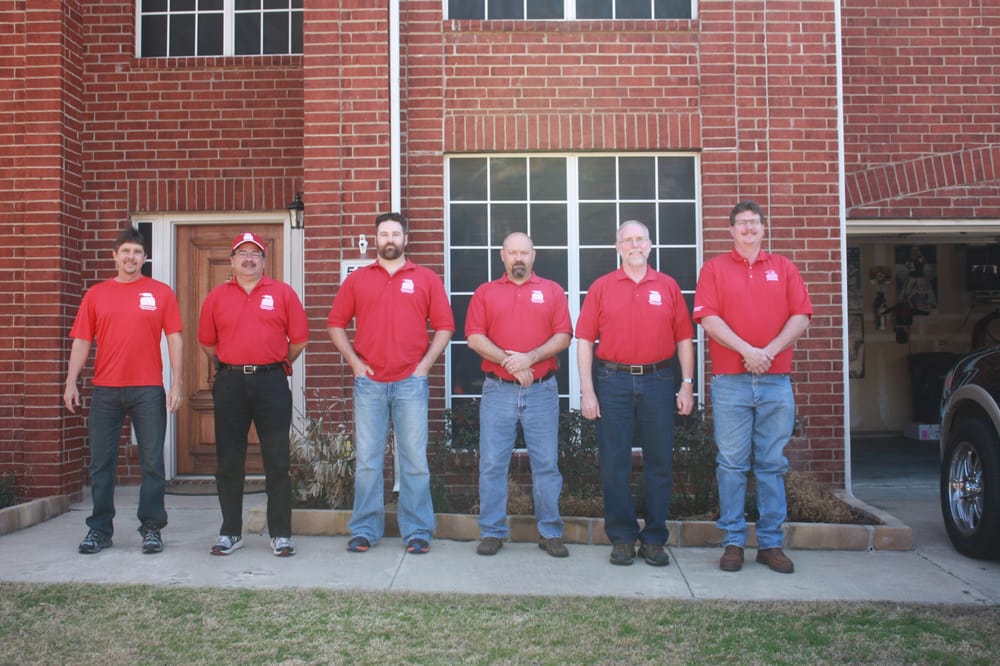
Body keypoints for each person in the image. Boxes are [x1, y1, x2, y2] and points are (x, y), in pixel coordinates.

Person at [693, 200, 812, 574]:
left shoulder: (784, 268)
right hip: (731, 382)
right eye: (741, 224)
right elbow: (708, 318)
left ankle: (771, 544)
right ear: (730, 231)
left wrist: (769, 353)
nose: (748, 229)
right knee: (730, 464)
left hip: (776, 382)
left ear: (763, 229)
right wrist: (748, 351)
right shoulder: (714, 269)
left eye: (754, 223)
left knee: (772, 464)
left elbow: (801, 315)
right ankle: (732, 542)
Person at [327, 212, 455, 555]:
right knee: (368, 459)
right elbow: (336, 324)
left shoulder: (425, 278)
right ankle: (365, 529)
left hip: (411, 383)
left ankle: (417, 531)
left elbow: (445, 326)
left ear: (405, 239)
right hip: (369, 383)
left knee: (413, 459)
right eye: (383, 234)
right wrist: (354, 362)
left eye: (395, 234)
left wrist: (424, 366)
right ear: (376, 239)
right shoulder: (358, 280)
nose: (389, 240)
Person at [576, 220, 695, 567]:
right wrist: (587, 390)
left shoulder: (668, 286)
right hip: (612, 382)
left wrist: (686, 383)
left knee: (659, 461)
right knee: (614, 462)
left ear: (650, 245)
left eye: (639, 239)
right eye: (627, 241)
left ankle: (655, 538)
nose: (634, 245)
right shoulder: (601, 287)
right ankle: (623, 538)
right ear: (618, 248)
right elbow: (584, 340)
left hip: (659, 380)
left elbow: (683, 339)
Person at [64, 226, 183, 555]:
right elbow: (82, 340)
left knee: (152, 463)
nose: (131, 257)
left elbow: (174, 337)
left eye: (137, 252)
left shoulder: (161, 293)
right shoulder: (96, 295)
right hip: (106, 390)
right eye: (125, 252)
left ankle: (152, 528)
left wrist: (178, 382)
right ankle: (99, 530)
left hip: (148, 389)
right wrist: (71, 381)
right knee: (101, 463)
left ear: (145, 258)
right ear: (115, 256)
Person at [197, 231, 308, 557]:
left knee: (277, 461)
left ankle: (280, 534)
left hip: (271, 383)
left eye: (255, 254)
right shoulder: (216, 297)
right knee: (229, 460)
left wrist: (277, 363)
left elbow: (299, 339)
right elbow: (206, 342)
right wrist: (230, 364)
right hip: (230, 383)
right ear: (232, 261)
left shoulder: (283, 293)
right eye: (242, 254)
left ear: (263, 260)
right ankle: (230, 531)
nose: (248, 259)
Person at [466, 232, 573, 558]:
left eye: (523, 253)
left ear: (533, 255)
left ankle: (550, 532)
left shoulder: (552, 291)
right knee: (493, 464)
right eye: (512, 253)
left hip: (542, 391)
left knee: (546, 465)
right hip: (498, 390)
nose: (518, 258)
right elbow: (473, 337)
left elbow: (564, 335)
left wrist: (530, 358)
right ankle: (492, 532)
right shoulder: (485, 293)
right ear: (502, 256)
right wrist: (511, 363)